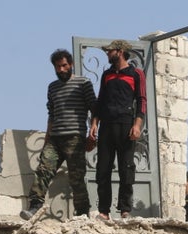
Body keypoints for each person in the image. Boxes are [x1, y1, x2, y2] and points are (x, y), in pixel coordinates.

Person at [20, 49, 97, 220]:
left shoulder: (83, 83)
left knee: (76, 178)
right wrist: (47, 140)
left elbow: (94, 108)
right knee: (43, 170)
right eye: (57, 67)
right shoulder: (52, 87)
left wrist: (93, 130)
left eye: (64, 66)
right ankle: (35, 207)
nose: (61, 70)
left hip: (75, 137)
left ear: (71, 65)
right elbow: (52, 115)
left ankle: (83, 214)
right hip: (55, 138)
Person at [88, 40, 147, 220]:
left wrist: (137, 125)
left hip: (126, 126)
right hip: (107, 126)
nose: (107, 54)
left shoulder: (136, 74)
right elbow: (100, 101)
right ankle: (104, 211)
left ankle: (125, 210)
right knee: (102, 169)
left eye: (110, 51)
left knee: (126, 169)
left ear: (120, 52)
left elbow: (142, 101)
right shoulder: (106, 75)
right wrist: (94, 124)